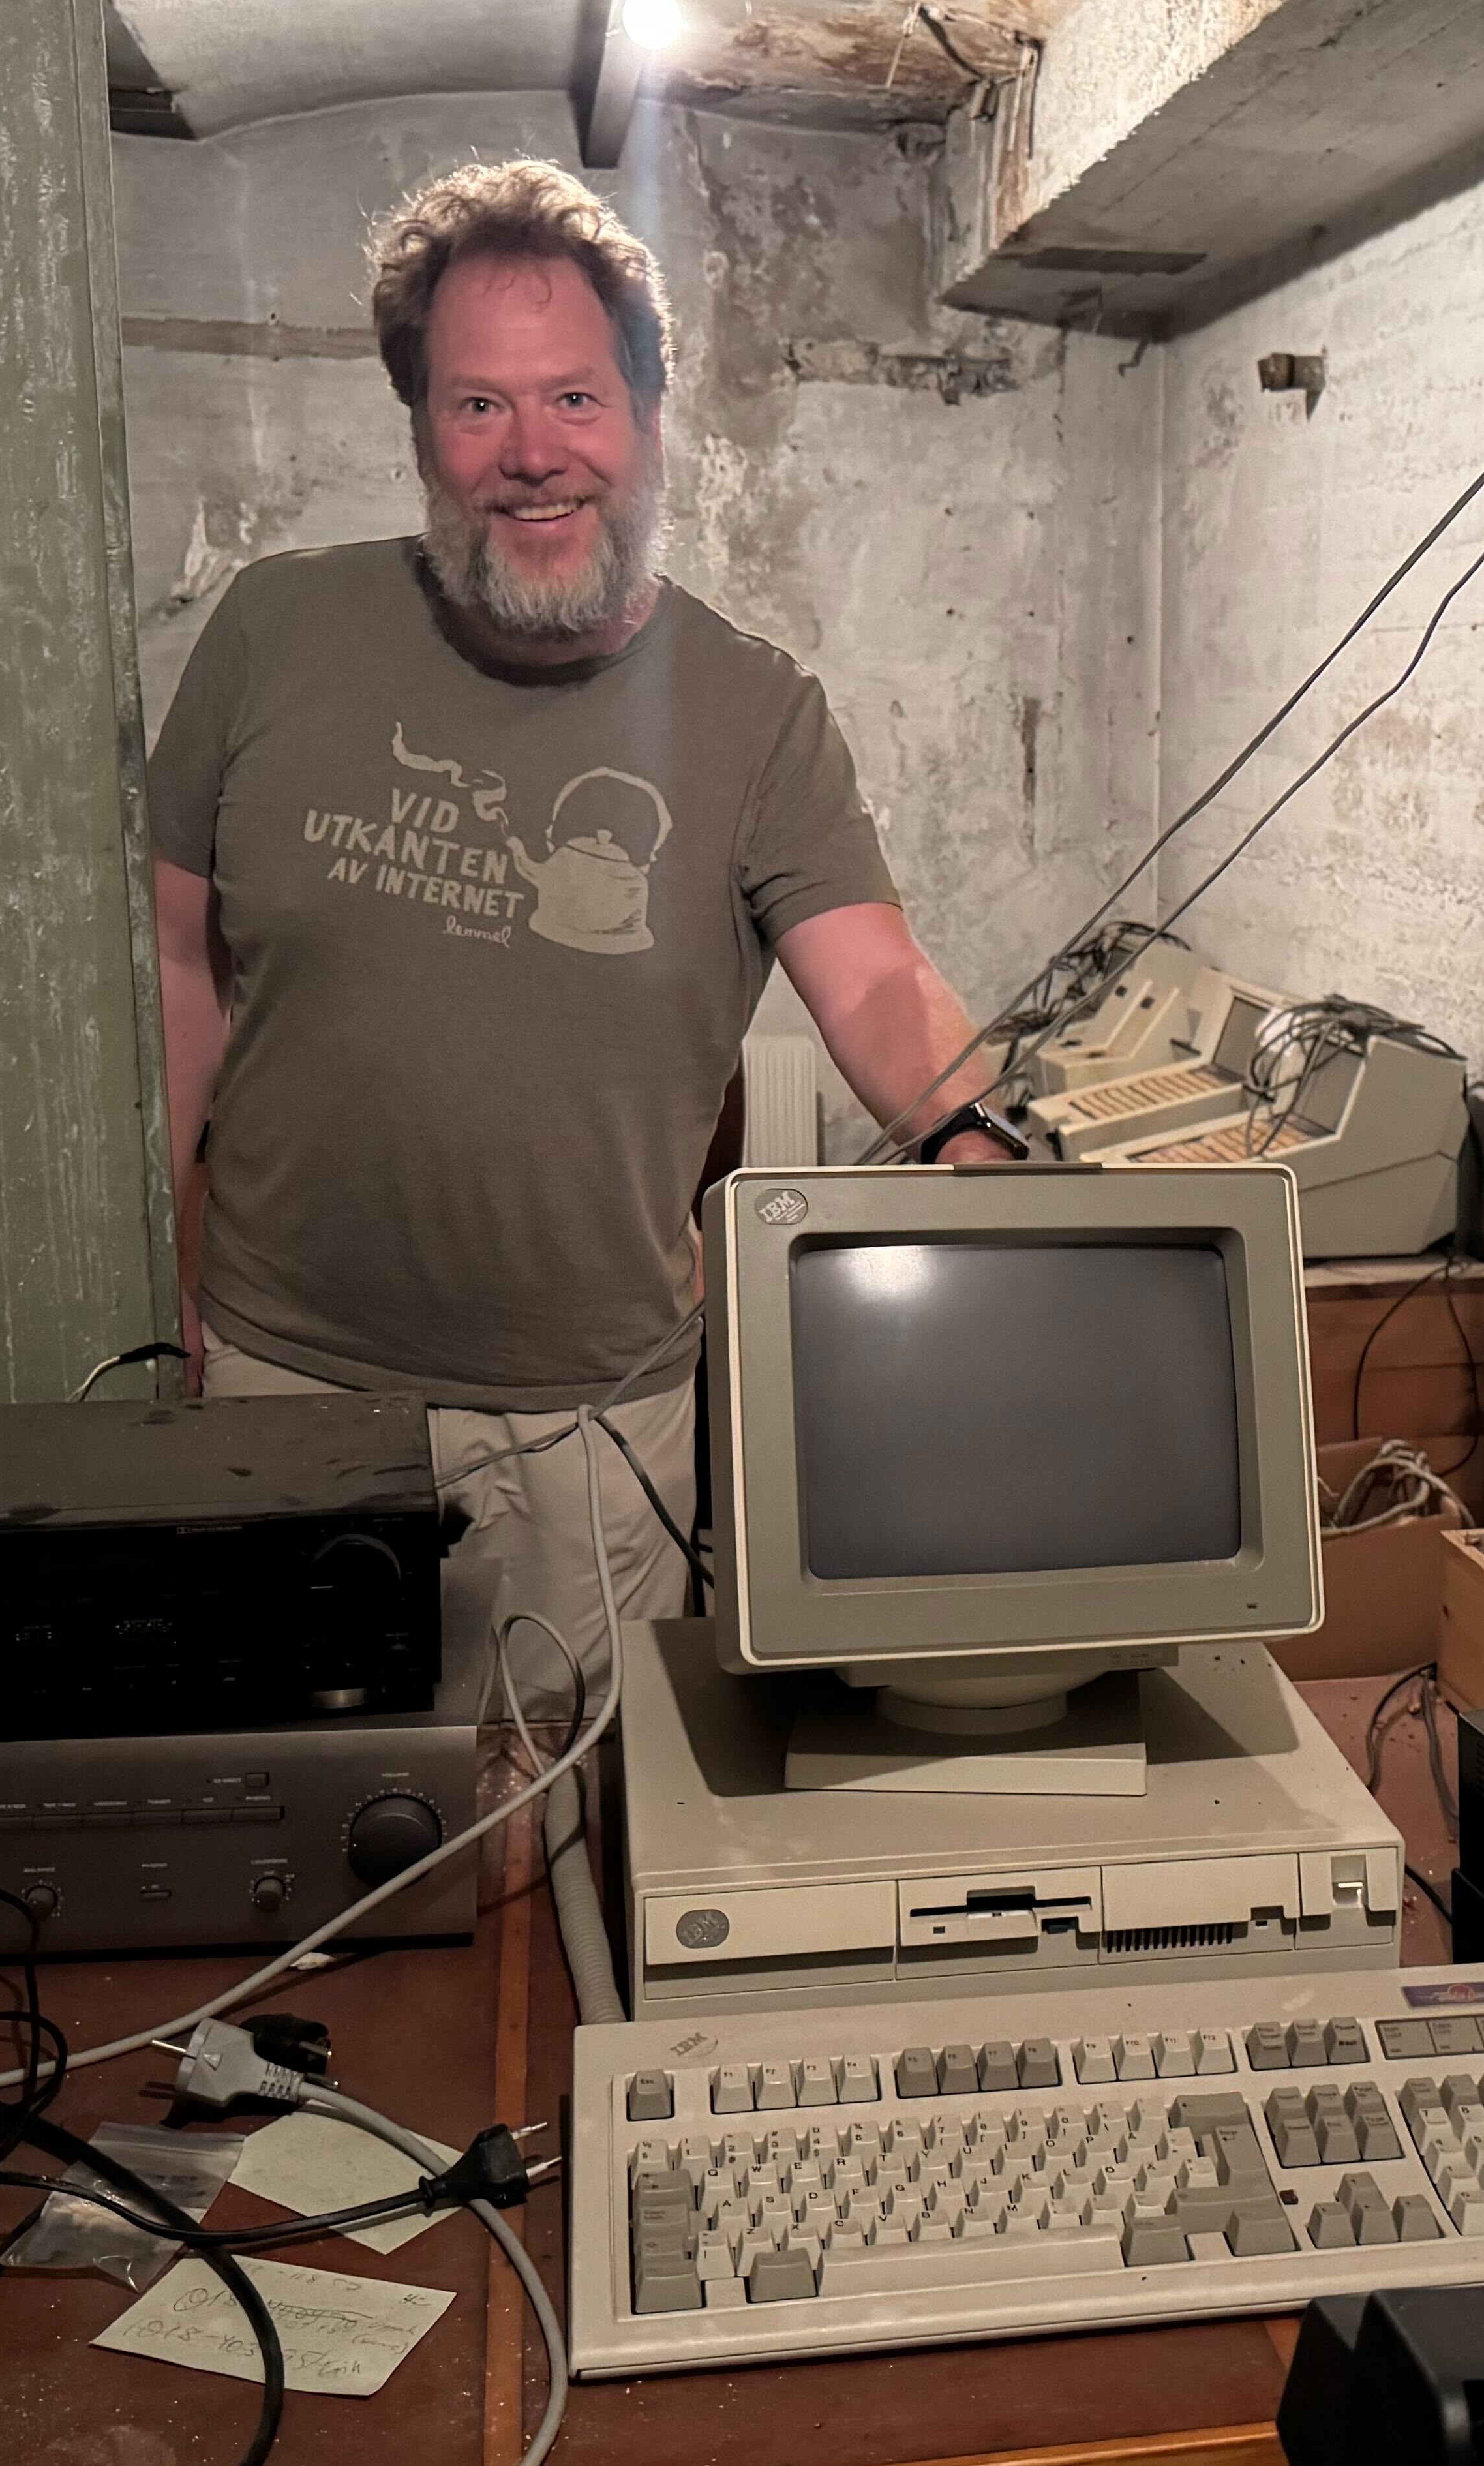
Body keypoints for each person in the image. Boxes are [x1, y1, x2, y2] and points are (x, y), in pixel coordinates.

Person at [145, 157, 1014, 1722]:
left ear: (652, 418)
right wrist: (145, 1286)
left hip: (592, 1438)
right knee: (286, 1845)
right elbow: (171, 970)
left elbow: (873, 972)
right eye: (478, 407)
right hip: (283, 1385)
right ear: (418, 429)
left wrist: (970, 1132)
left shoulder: (757, 712)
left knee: (575, 1872)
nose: (532, 456)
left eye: (574, 401)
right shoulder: (274, 634)